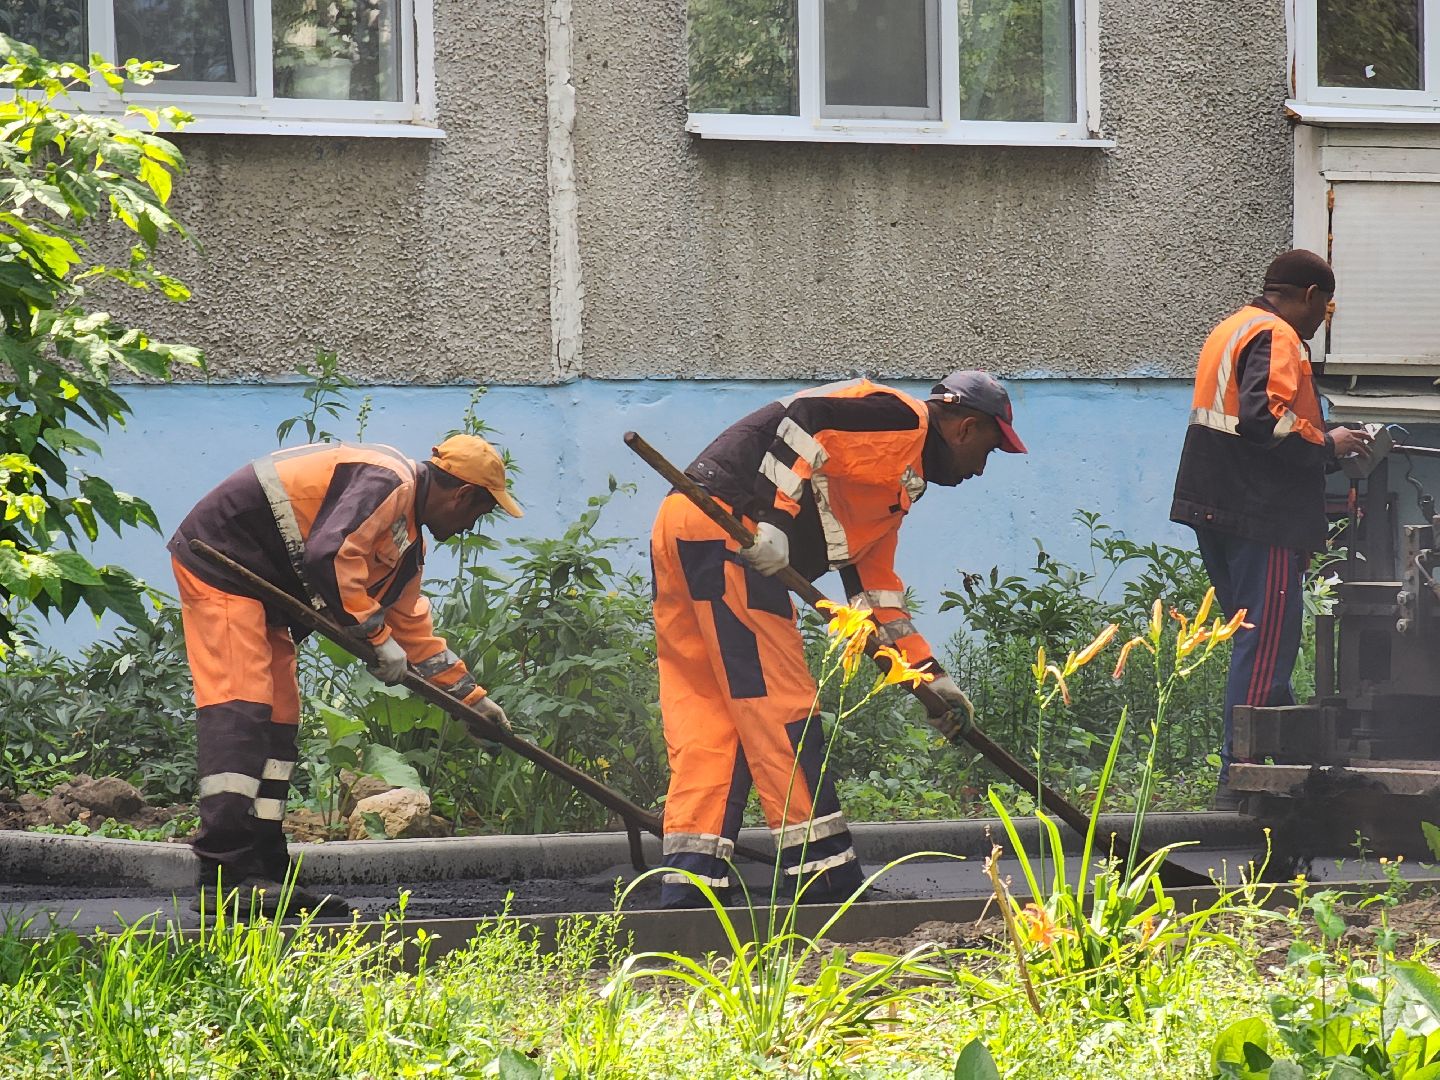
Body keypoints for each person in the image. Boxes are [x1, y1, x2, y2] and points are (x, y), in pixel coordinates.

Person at [651, 371, 1025, 908]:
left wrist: (932, 680)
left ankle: (691, 883)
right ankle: (822, 877)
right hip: (734, 531)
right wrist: (772, 520)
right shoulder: (902, 421)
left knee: (711, 714)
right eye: (988, 450)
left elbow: (875, 598)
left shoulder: (892, 481)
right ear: (966, 428)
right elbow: (807, 419)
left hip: (686, 524)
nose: (981, 468)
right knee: (780, 708)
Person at [167, 435, 522, 914]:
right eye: (478, 513)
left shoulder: (406, 539)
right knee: (243, 707)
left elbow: (412, 628)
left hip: (264, 587)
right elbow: (330, 556)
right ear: (461, 495)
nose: (468, 527)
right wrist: (376, 636)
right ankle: (223, 874)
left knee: (279, 720)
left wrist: (471, 701)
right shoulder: (388, 481)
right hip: (225, 561)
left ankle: (264, 869)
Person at [1170, 249, 1372, 810]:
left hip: (1218, 504)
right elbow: (1268, 419)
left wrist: (1320, 440)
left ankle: (1281, 764)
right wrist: (1328, 444)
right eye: (1325, 308)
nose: (1322, 322)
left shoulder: (1232, 327)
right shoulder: (1278, 334)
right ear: (1310, 296)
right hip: (1261, 514)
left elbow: (1247, 419)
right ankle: (1244, 776)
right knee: (1265, 642)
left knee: (1256, 639)